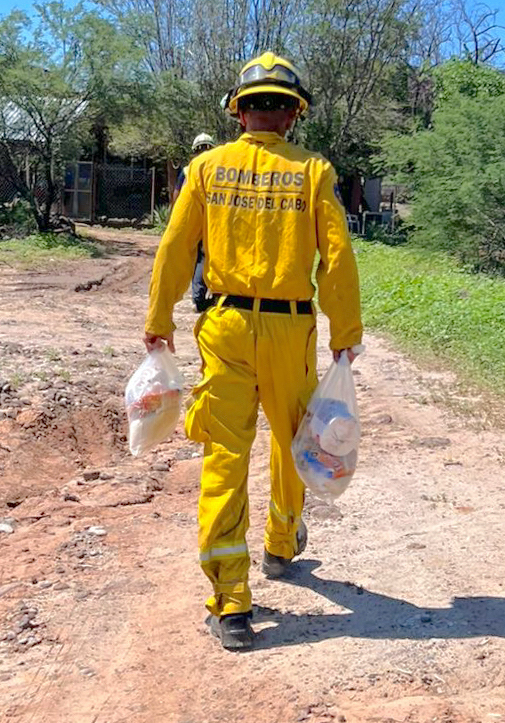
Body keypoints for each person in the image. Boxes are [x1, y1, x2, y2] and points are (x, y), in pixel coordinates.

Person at [143, 52, 362, 651]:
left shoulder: (206, 168)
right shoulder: (314, 171)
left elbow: (175, 248)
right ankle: (282, 543)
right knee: (298, 439)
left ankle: (232, 604)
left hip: (226, 328)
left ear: (239, 113)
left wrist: (158, 320)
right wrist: (345, 335)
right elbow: (337, 257)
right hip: (291, 330)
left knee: (224, 455)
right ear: (292, 115)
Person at [173, 133, 217, 312]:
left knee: (195, 257)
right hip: (212, 222)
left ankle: (198, 296)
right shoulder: (218, 170)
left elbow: (177, 197)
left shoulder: (187, 171)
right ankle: (208, 296)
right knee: (207, 257)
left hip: (191, 221)